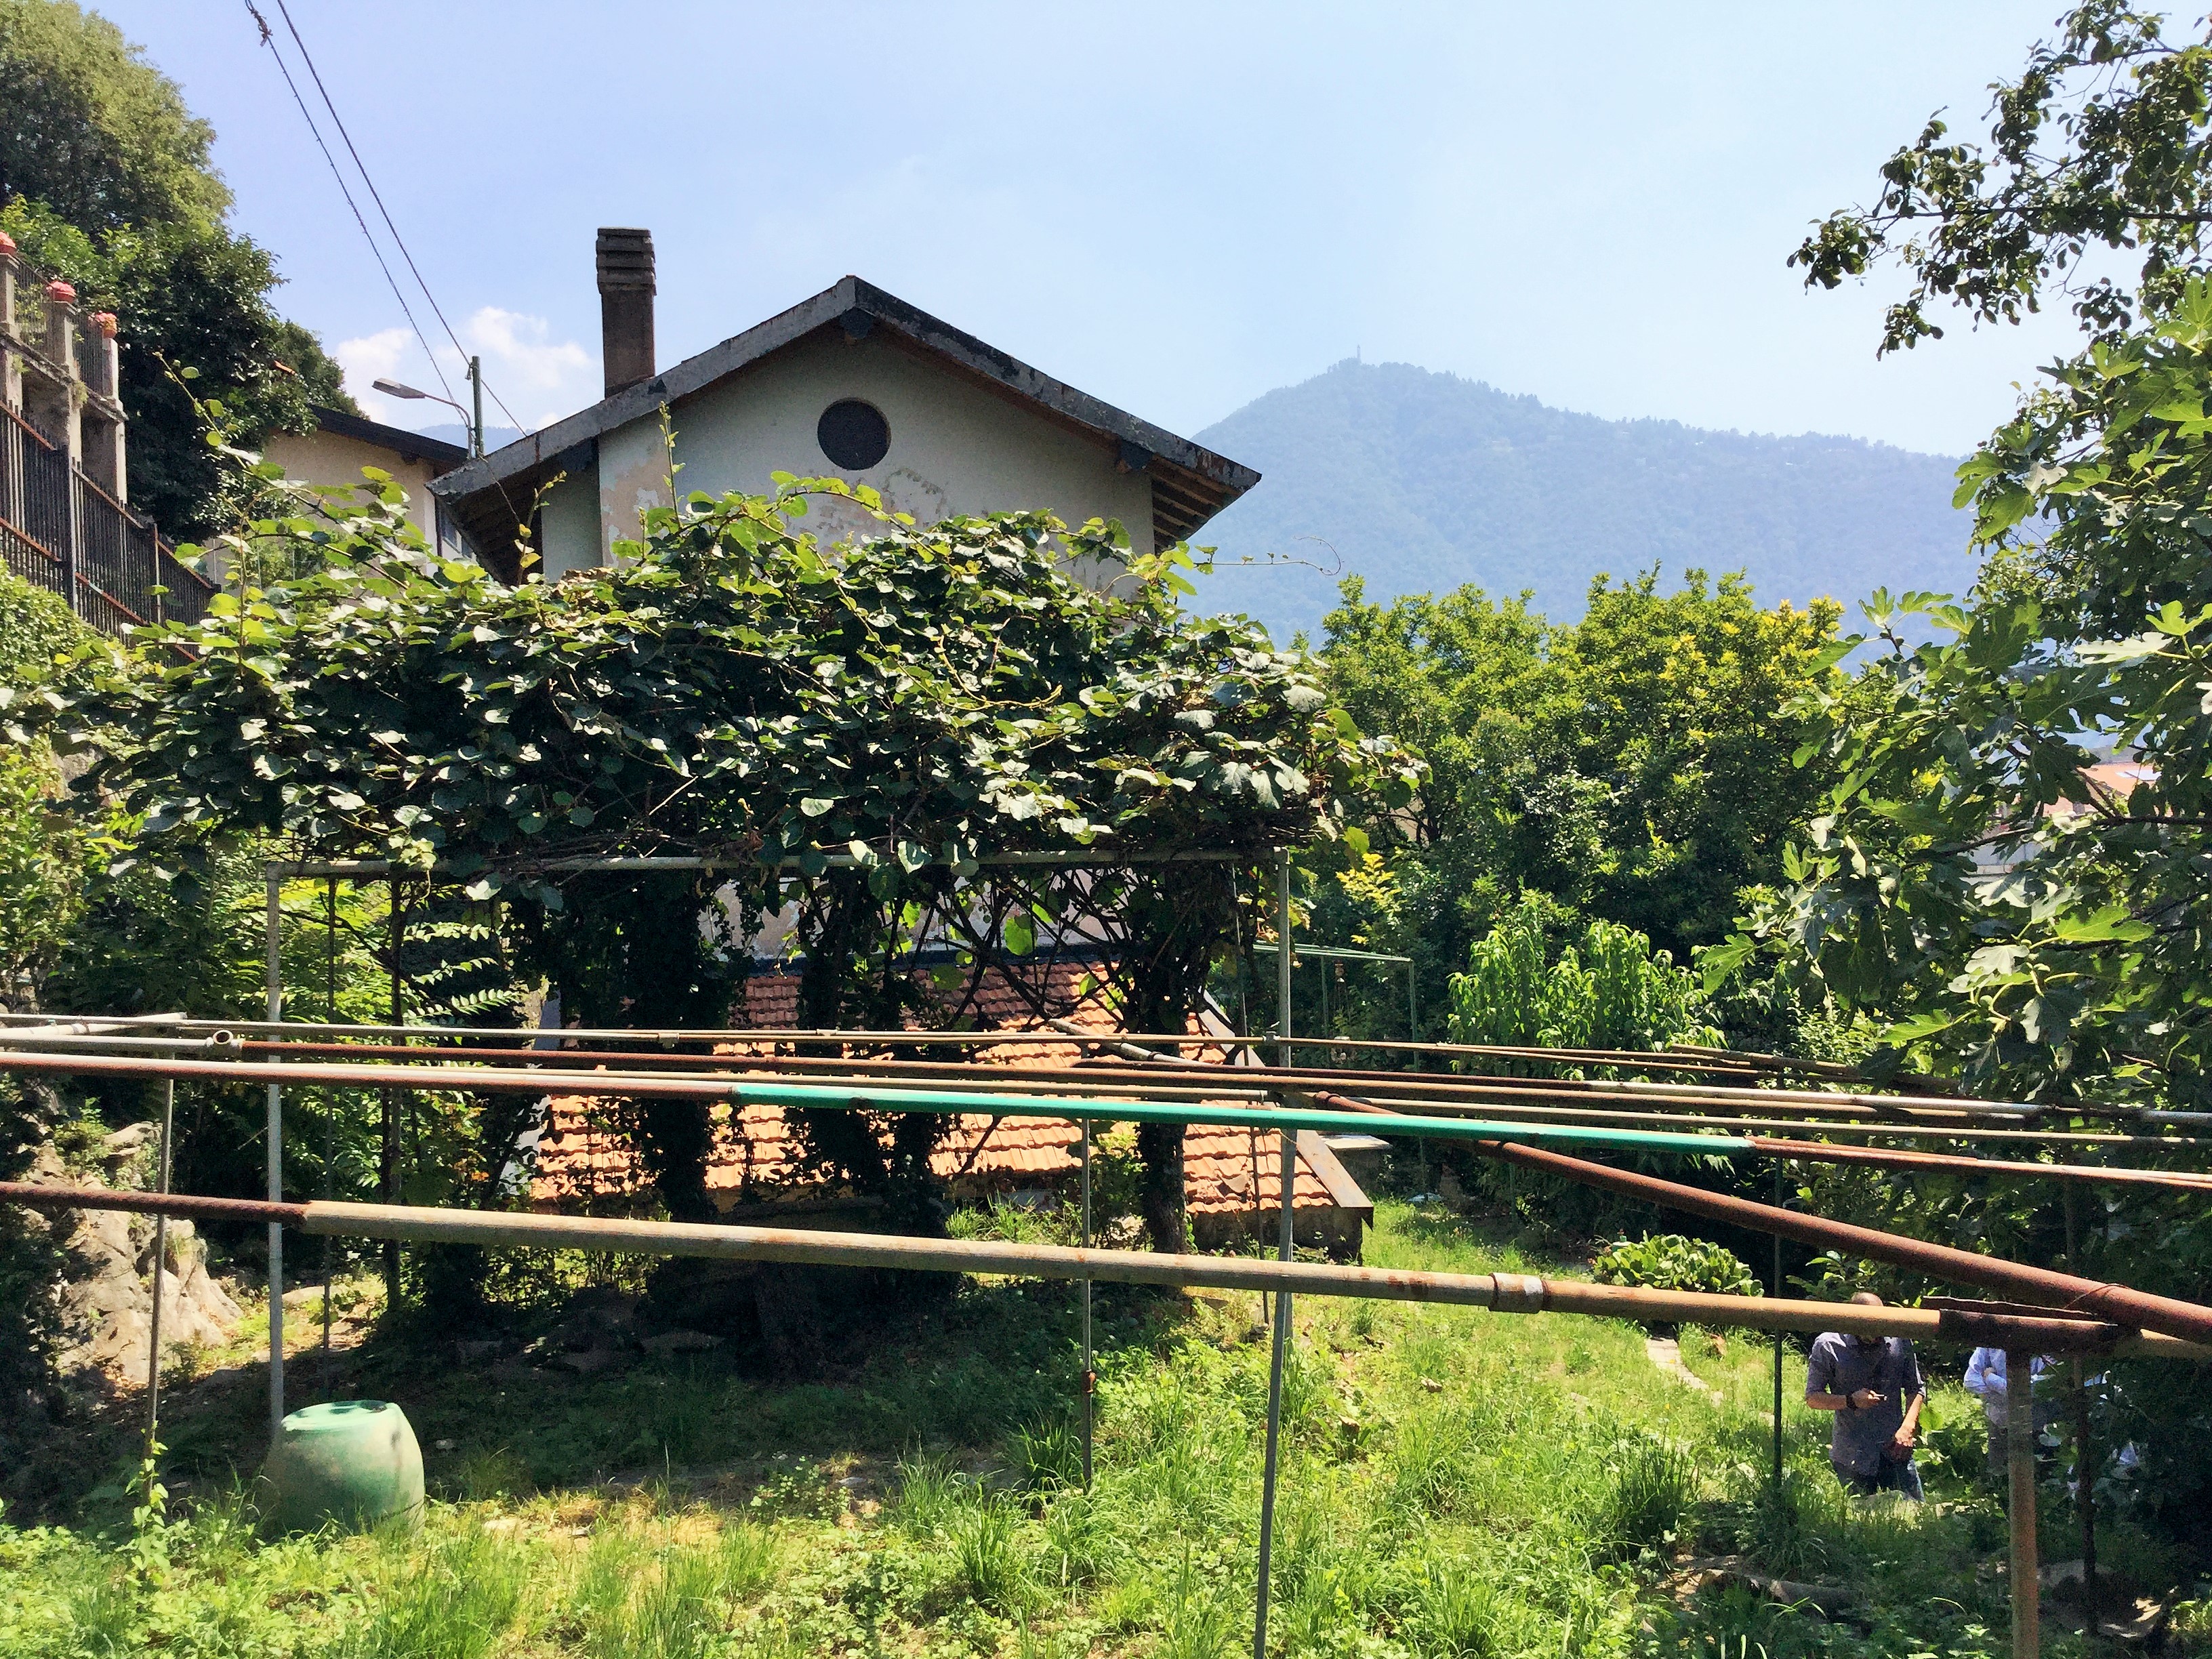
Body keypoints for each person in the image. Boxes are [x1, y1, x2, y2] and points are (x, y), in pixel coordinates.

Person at [1805, 1292, 1927, 1500]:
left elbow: (1916, 1388)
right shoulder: (1828, 1345)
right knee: (1861, 1523)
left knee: (1916, 1514)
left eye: (1881, 1326)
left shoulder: (1900, 1339)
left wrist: (1907, 1428)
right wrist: (1851, 1401)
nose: (1877, 1334)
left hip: (1895, 1449)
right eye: (1870, 1328)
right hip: (1853, 1454)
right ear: (1853, 1322)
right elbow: (1813, 1398)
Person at [1963, 1347, 2053, 1483]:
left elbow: (2039, 1387)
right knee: (1997, 1484)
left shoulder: (2046, 1343)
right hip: (1999, 1429)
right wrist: (2012, 1393)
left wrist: (1991, 1379)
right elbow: (1970, 1381)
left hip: (2036, 1432)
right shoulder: (1991, 1341)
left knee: (2040, 1485)